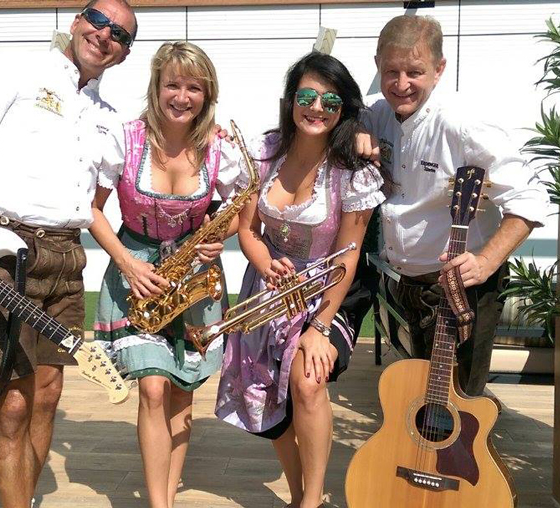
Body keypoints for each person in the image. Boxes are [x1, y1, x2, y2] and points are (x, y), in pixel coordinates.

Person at [0, 1, 137, 507]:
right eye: (98, 20)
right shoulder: (15, 70)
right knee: (12, 404)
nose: (105, 35)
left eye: (119, 34)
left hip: (68, 257)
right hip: (7, 251)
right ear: (76, 22)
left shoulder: (109, 120)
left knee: (47, 396)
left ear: (123, 54)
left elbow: (97, 202)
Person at [215, 52, 386, 508]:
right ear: (291, 99)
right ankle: (295, 493)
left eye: (331, 101)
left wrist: (320, 327)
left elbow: (348, 256)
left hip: (328, 292)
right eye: (307, 96)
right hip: (267, 289)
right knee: (266, 394)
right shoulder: (264, 153)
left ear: (344, 109)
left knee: (307, 381)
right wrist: (265, 263)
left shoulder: (353, 172)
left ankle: (312, 500)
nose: (317, 108)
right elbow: (249, 229)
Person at [361, 14, 550, 396]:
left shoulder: (463, 124)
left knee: (461, 401)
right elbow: (339, 108)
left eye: (415, 72)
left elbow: (530, 198)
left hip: (462, 289)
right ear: (378, 65)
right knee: (422, 397)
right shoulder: (377, 113)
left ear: (439, 69)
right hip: (407, 286)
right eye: (391, 71)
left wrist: (486, 262)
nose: (401, 84)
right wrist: (357, 129)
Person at [90, 41, 241, 508]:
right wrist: (127, 263)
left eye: (194, 87)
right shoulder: (125, 138)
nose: (182, 96)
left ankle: (168, 495)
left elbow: (241, 209)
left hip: (194, 276)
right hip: (137, 274)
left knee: (182, 389)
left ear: (207, 94)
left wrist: (220, 235)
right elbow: (91, 210)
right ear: (156, 87)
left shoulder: (219, 147)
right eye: (173, 84)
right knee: (153, 388)